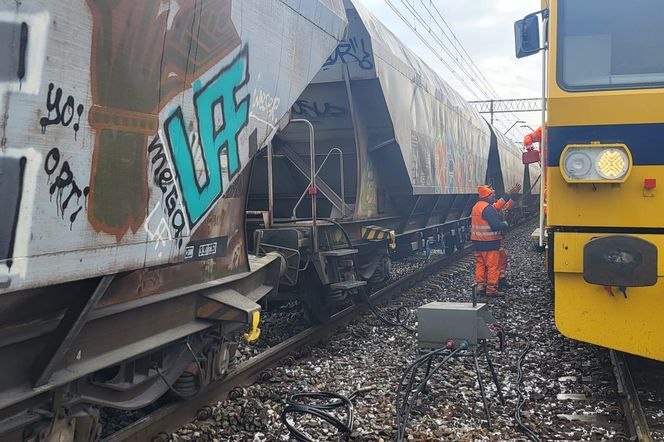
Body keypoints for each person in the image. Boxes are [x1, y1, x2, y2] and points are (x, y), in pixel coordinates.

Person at [471, 185, 509, 296]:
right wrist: (505, 224)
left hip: (477, 242)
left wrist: (508, 196)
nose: (494, 197)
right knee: (493, 266)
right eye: (492, 195)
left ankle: (481, 286)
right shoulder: (488, 209)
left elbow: (497, 206)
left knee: (480, 264)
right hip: (489, 242)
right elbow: (495, 225)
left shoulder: (476, 207)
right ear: (487, 196)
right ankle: (492, 289)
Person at [492, 183, 521, 289]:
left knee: (502, 256)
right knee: (497, 259)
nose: (493, 196)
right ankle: (495, 282)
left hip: (498, 237)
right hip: (494, 238)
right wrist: (509, 194)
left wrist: (514, 195)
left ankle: (500, 279)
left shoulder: (492, 207)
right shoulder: (490, 208)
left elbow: (508, 205)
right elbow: (501, 205)